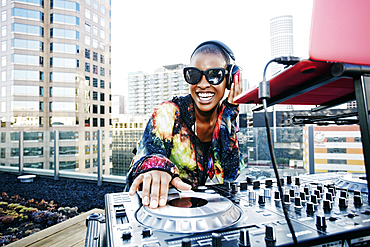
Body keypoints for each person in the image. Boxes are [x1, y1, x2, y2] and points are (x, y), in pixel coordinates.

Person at [126, 40, 244, 209]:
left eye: (214, 75)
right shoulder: (167, 113)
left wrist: (230, 111)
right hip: (157, 213)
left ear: (230, 79)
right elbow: (149, 156)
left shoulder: (224, 117)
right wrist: (156, 167)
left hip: (202, 215)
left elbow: (230, 174)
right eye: (194, 75)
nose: (203, 84)